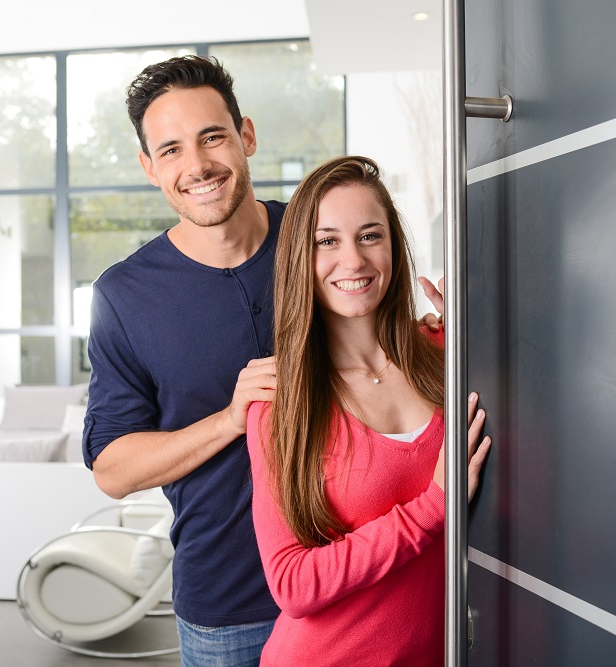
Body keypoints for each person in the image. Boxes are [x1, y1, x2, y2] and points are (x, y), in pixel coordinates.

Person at [246, 155, 492, 666]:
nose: (353, 261)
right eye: (327, 241)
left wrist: (482, 333)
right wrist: (433, 507)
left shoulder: (445, 349)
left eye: (370, 235)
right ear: (300, 258)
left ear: (394, 249)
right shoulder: (280, 403)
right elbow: (292, 583)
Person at [82, 55, 284, 665]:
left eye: (212, 137)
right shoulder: (122, 295)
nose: (196, 166)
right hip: (229, 610)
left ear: (245, 135)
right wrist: (230, 418)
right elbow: (113, 469)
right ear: (150, 167)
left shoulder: (316, 236)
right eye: (170, 149)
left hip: (356, 581)